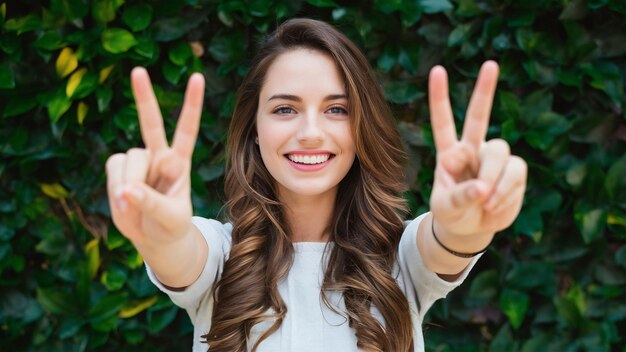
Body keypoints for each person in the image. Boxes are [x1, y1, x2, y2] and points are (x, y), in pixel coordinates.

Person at [105, 18, 527, 352]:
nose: (310, 132)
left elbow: (449, 240)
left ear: (361, 126)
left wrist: (469, 221)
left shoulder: (402, 257)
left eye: (337, 109)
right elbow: (180, 253)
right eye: (285, 108)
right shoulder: (219, 256)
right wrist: (160, 236)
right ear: (254, 128)